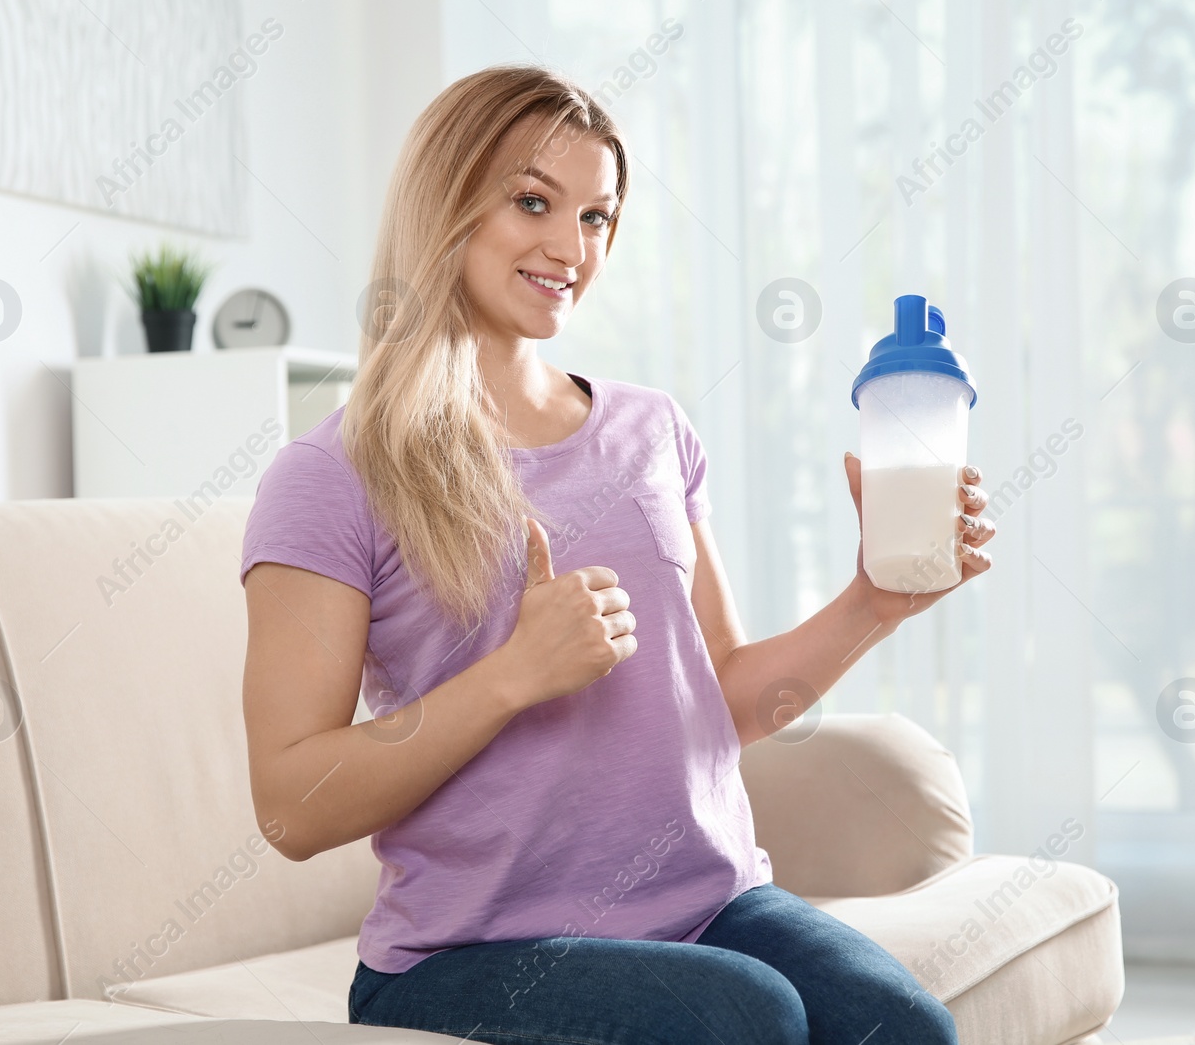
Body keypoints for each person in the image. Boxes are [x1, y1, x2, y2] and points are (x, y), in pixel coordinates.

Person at [239, 64, 994, 1045]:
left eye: (596, 216)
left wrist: (872, 601)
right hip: (466, 956)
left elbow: (720, 696)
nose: (570, 247)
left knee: (904, 1027)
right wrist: (513, 676)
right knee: (744, 1015)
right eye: (532, 201)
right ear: (446, 202)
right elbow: (290, 805)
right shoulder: (333, 473)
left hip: (710, 903)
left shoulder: (652, 428)